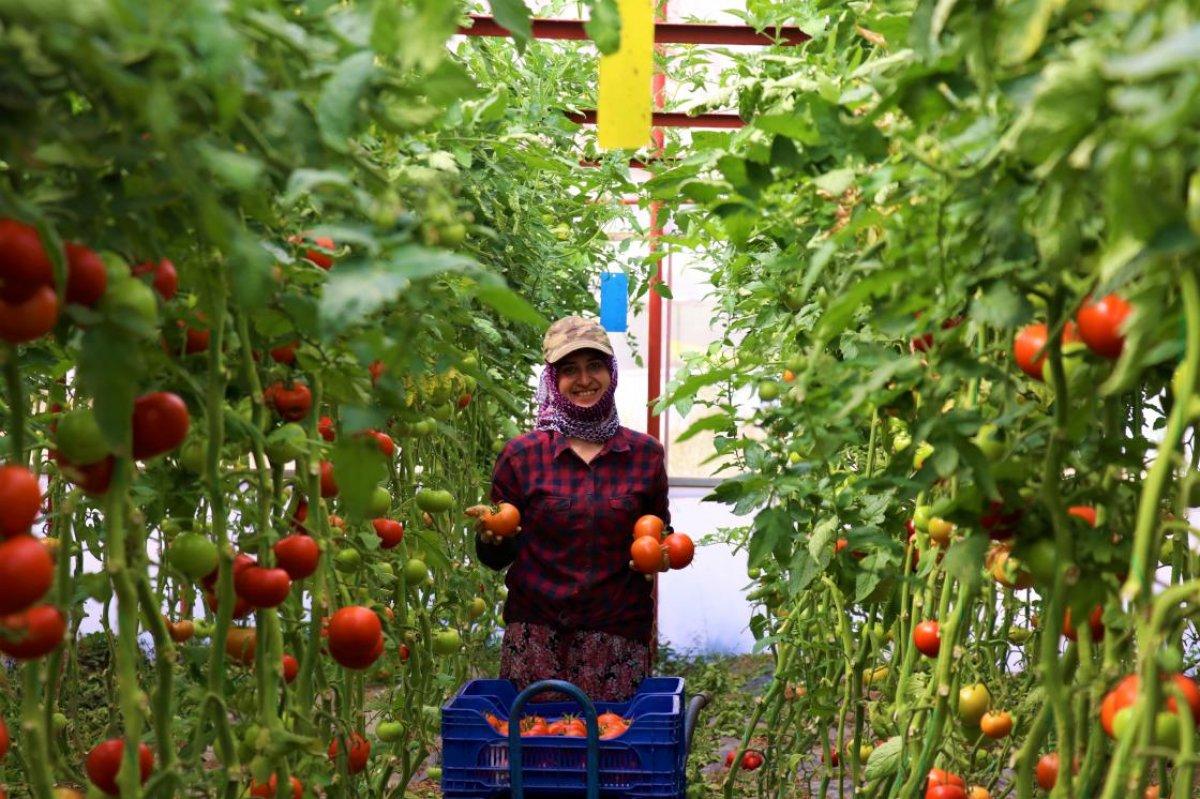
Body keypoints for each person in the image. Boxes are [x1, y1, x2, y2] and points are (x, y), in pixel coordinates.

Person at [467, 315, 670, 702]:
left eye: (595, 365)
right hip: (536, 637)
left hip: (616, 639)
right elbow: (495, 558)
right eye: (569, 370)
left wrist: (659, 556)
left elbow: (659, 533)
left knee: (610, 753)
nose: (585, 380)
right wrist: (494, 538)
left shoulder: (644, 455)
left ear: (611, 372)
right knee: (539, 753)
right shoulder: (522, 455)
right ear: (552, 381)